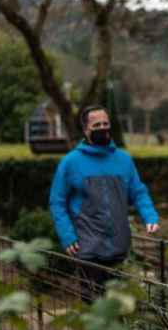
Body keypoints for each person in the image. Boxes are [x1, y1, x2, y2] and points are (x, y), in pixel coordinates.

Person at [49, 105, 160, 302]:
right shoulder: (70, 163)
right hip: (88, 250)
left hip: (119, 248)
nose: (102, 127)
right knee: (95, 313)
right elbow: (57, 202)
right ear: (85, 130)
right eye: (96, 124)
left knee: (117, 310)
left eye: (105, 123)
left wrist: (149, 215)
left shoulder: (124, 160)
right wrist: (67, 236)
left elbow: (138, 192)